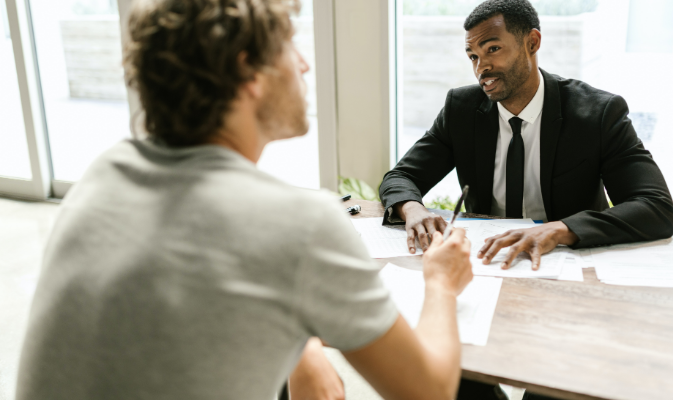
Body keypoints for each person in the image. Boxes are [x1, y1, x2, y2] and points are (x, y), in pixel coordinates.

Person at [14, 1, 477, 399]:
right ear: (247, 72)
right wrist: (440, 283)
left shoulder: (104, 173)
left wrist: (303, 345)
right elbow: (431, 391)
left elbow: (193, 282)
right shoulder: (301, 223)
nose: (304, 65)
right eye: (290, 45)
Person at [379, 0, 673, 272]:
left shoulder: (598, 113)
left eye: (492, 49)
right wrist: (413, 208)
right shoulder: (462, 109)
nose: (481, 68)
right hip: (487, 263)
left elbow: (655, 207)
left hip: (568, 265)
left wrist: (558, 229)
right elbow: (402, 176)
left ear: (531, 43)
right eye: (473, 56)